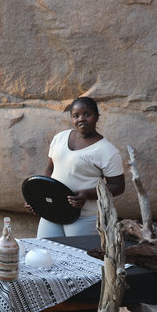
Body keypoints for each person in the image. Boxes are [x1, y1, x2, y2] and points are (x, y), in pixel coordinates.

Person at [29, 96, 125, 237]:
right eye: (76, 115)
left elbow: (118, 186)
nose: (81, 119)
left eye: (87, 114)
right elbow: (50, 169)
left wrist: (87, 194)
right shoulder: (60, 138)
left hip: (83, 217)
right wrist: (40, 199)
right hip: (53, 210)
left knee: (77, 251)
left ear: (97, 117)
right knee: (44, 248)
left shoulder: (107, 151)